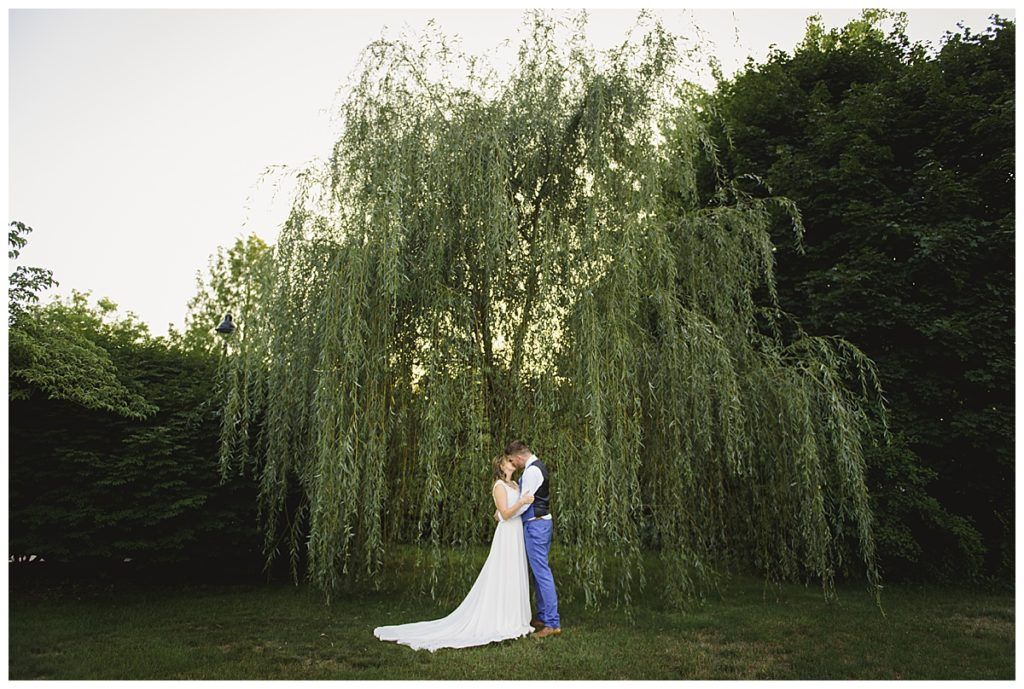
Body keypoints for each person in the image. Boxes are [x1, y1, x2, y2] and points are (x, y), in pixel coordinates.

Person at [373, 453, 536, 651]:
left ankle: (514, 616)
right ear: (501, 466)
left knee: (514, 572)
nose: (513, 464)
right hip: (507, 533)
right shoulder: (499, 486)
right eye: (509, 462)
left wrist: (517, 503)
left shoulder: (515, 485)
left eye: (513, 461)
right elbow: (506, 513)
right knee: (503, 572)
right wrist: (522, 502)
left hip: (516, 531)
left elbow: (502, 514)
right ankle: (500, 617)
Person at [504, 440, 561, 637]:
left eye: (513, 460)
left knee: (542, 572)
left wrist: (505, 515)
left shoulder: (531, 471)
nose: (514, 464)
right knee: (538, 571)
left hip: (536, 525)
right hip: (537, 524)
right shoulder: (534, 468)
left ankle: (552, 624)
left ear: (519, 457)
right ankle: (544, 616)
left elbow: (524, 503)